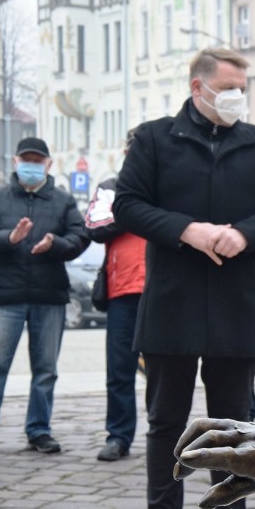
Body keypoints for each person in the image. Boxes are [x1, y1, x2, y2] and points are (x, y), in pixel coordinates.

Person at [112, 47, 255, 509]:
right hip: (172, 304)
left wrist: (244, 234)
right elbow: (127, 205)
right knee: (165, 423)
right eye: (229, 86)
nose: (238, 96)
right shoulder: (155, 139)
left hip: (236, 306)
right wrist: (185, 229)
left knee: (235, 428)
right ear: (199, 88)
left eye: (243, 87)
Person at [0, 137, 90, 454]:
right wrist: (10, 237)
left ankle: (39, 430)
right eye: (26, 160)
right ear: (16, 162)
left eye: (38, 160)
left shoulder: (63, 200)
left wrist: (55, 244)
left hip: (49, 295)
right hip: (5, 296)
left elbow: (80, 236)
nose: (32, 165)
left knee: (45, 369)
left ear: (48, 164)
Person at [84, 129, 147, 462]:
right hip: (122, 291)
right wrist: (134, 207)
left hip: (162, 292)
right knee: (119, 371)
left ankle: (163, 436)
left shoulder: (167, 187)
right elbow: (95, 226)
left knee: (163, 372)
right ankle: (119, 436)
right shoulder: (110, 187)